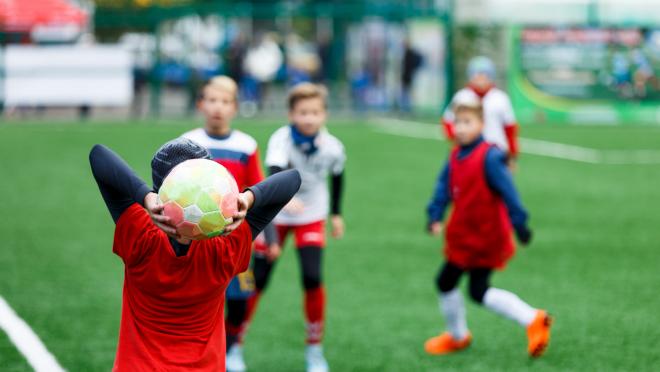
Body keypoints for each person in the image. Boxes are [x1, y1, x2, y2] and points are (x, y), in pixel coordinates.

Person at [89, 137, 301, 371]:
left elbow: (99, 156)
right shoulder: (227, 245)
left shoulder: (141, 234)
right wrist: (247, 198)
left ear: (160, 190)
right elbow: (292, 179)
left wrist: (145, 197)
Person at [425, 97, 552, 358]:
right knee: (454, 283)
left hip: (484, 236)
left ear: (482, 124)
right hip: (463, 233)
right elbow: (443, 188)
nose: (460, 128)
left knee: (468, 286)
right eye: (457, 122)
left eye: (467, 122)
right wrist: (434, 215)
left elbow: (509, 191)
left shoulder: (491, 156)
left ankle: (532, 319)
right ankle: (461, 336)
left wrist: (520, 223)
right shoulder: (455, 155)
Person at [241, 82, 346, 372]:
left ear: (324, 115)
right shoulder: (281, 139)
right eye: (302, 112)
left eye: (315, 112)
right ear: (291, 114)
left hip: (312, 213)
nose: (309, 118)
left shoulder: (334, 146)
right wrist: (282, 199)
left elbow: (338, 177)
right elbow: (275, 174)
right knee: (256, 279)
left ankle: (314, 350)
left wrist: (336, 214)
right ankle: (234, 344)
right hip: (276, 213)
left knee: (312, 277)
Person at [180, 75, 280, 372]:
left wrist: (271, 238)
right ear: (200, 104)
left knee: (239, 298)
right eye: (211, 100)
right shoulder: (188, 142)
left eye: (225, 102)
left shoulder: (245, 145)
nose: (217, 108)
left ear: (235, 107)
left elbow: (259, 189)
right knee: (198, 298)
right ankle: (197, 350)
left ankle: (232, 348)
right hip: (197, 237)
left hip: (236, 240)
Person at [441, 56, 520, 169]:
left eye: (484, 75)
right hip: (468, 150)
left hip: (496, 150)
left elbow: (510, 127)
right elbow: (447, 120)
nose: (480, 78)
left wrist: (512, 153)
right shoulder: (462, 96)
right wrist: (457, 139)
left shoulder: (500, 98)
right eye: (476, 74)